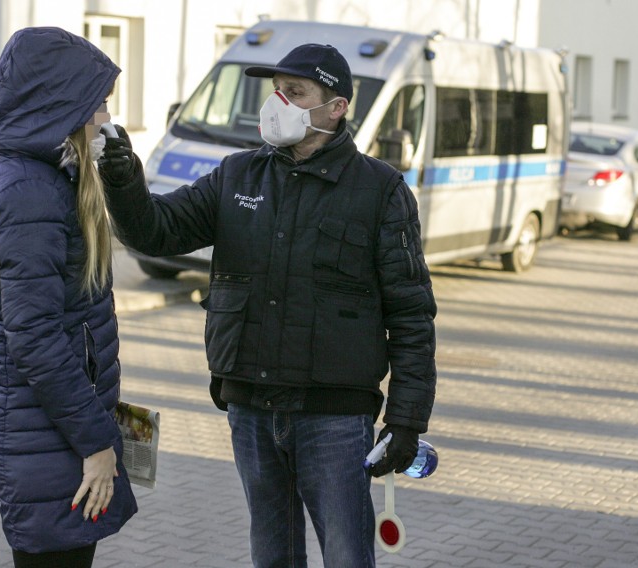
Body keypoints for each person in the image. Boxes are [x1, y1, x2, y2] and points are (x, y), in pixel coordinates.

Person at [100, 43, 437, 567]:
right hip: (251, 408)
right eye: (275, 91)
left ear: (336, 107)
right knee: (272, 554)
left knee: (347, 555)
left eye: (295, 92)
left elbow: (412, 313)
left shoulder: (380, 190)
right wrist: (123, 181)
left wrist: (407, 420)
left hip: (334, 419)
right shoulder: (237, 177)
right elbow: (154, 229)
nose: (277, 102)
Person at [0, 27, 137, 567]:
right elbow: (36, 337)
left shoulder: (44, 178)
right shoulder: (29, 192)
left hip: (48, 430)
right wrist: (96, 443)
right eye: (99, 103)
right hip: (47, 438)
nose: (105, 117)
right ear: (60, 105)